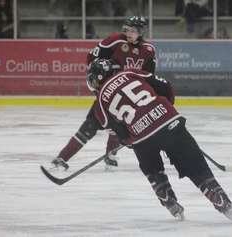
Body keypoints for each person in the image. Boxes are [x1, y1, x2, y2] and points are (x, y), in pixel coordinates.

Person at [85, 57, 232, 221]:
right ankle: (218, 197)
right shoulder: (130, 73)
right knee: (195, 164)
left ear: (98, 78)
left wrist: (129, 141)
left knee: (151, 167)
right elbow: (165, 86)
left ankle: (166, 196)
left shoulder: (100, 103)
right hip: (168, 121)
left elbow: (116, 130)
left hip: (142, 137)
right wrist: (166, 110)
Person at [51, 16, 157, 170]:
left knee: (118, 128)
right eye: (127, 29)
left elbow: (149, 77)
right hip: (109, 92)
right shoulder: (115, 41)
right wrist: (99, 80)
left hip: (129, 97)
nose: (128, 33)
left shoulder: (149, 50)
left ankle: (110, 154)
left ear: (141, 32)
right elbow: (91, 59)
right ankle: (62, 158)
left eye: (133, 31)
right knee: (90, 126)